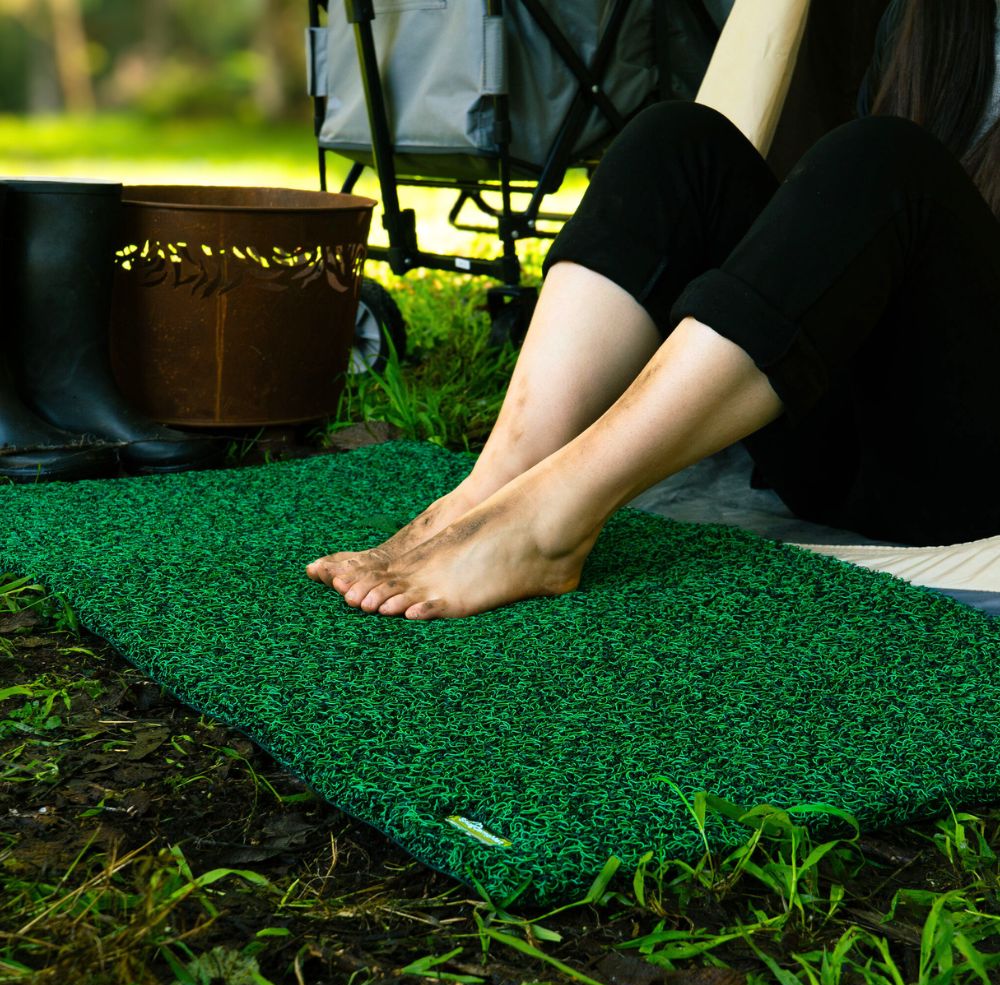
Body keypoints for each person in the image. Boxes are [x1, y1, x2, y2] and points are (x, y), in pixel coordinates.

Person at [306, 0, 1000, 620]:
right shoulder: (931, 22)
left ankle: (550, 521)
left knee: (888, 159)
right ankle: (493, 490)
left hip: (967, 479)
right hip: (846, 455)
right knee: (678, 141)